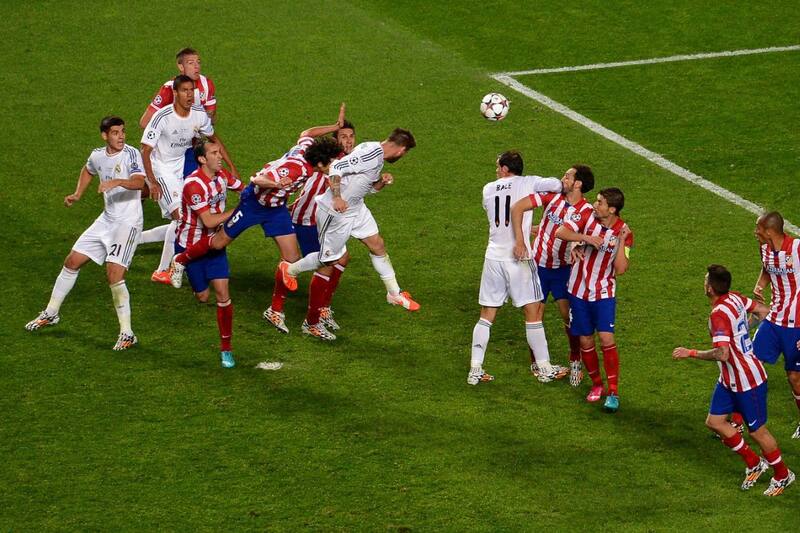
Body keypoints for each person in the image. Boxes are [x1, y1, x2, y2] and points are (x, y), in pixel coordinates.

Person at [168, 112, 346, 338]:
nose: (331, 169)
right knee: (218, 242)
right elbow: (258, 179)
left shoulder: (306, 149)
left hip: (277, 209)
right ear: (320, 162)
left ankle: (274, 311)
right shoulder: (296, 168)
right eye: (329, 165)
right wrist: (276, 182)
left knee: (291, 262)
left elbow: (307, 133)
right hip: (253, 204)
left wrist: (334, 126)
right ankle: (180, 260)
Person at [277, 128, 420, 340]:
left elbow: (365, 187)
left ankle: (394, 293)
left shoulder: (376, 155)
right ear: (400, 149)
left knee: (378, 245)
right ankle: (290, 270)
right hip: (336, 212)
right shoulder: (370, 154)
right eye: (405, 152)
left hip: (356, 208)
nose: (403, 156)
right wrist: (336, 197)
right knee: (329, 260)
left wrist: (381, 183)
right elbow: (336, 167)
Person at [672, 265, 795, 496]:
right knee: (715, 422)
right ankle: (754, 463)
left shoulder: (718, 314)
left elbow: (722, 354)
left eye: (705, 279)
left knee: (758, 432)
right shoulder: (735, 299)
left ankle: (782, 474)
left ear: (709, 288)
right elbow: (763, 311)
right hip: (729, 380)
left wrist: (691, 353)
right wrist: (741, 332)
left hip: (749, 381)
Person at [25, 116, 145, 350]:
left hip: (128, 223)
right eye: (115, 133)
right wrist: (78, 193)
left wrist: (116, 182)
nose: (121, 136)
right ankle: (51, 313)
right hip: (107, 220)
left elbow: (140, 182)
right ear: (104, 136)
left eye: (123, 132)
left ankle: (127, 333)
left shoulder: (131, 153)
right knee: (72, 261)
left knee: (114, 275)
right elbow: (88, 170)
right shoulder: (97, 155)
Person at [467, 151, 566, 385]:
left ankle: (475, 369)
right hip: (519, 257)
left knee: (486, 315)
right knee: (533, 312)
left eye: (497, 166)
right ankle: (544, 367)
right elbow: (557, 185)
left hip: (493, 256)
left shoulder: (488, 189)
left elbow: (500, 218)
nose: (495, 170)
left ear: (504, 168)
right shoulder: (529, 182)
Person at [141, 75, 237, 284]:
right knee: (180, 218)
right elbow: (145, 150)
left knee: (184, 219)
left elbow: (213, 138)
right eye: (184, 90)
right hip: (162, 168)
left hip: (182, 166)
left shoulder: (198, 115)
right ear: (174, 93)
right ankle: (163, 270)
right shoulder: (162, 117)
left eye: (191, 90)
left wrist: (231, 166)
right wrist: (152, 181)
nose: (189, 95)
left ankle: (136, 239)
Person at [511, 164, 595, 386]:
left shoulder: (586, 211)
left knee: (568, 317)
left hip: (563, 270)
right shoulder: (553, 197)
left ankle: (575, 359)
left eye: (567, 177)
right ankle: (537, 363)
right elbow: (519, 206)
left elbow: (577, 233)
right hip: (537, 266)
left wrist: (578, 243)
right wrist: (525, 234)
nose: (562, 179)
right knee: (533, 315)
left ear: (578, 184)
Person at [555, 188, 632, 412]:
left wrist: (621, 240)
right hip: (577, 292)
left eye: (600, 203)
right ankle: (597, 385)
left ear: (612, 209)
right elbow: (561, 232)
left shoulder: (624, 231)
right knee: (586, 341)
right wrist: (583, 239)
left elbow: (621, 268)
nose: (595, 205)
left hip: (603, 293)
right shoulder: (587, 215)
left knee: (607, 339)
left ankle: (613, 391)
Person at [138, 47, 217, 246]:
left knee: (189, 211)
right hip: (167, 152)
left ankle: (137, 238)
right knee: (182, 214)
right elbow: (145, 121)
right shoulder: (169, 89)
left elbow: (210, 117)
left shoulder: (207, 85)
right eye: (191, 62)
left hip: (190, 152)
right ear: (180, 67)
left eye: (198, 61)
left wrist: (195, 127)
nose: (197, 66)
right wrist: (171, 130)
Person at [175, 139, 243, 368]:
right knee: (203, 297)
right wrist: (239, 211)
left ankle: (226, 349)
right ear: (202, 159)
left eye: (219, 152)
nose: (220, 156)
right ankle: (178, 264)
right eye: (214, 153)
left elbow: (244, 189)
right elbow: (209, 220)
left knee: (223, 293)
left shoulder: (222, 176)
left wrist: (267, 187)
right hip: (190, 246)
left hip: (215, 245)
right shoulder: (193, 185)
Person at [289, 119, 356, 333]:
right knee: (326, 263)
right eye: (343, 136)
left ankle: (323, 308)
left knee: (342, 258)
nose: (348, 141)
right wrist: (334, 125)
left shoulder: (352, 163)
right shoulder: (322, 154)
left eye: (351, 136)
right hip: (305, 219)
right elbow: (306, 132)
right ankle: (312, 321)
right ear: (335, 140)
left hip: (322, 221)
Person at [752, 211, 800, 439]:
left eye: (758, 229)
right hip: (773, 319)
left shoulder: (797, 248)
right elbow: (767, 269)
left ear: (769, 231)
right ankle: (741, 421)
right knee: (749, 363)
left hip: (797, 325)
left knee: (794, 378)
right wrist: (760, 285)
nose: (755, 233)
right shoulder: (764, 249)